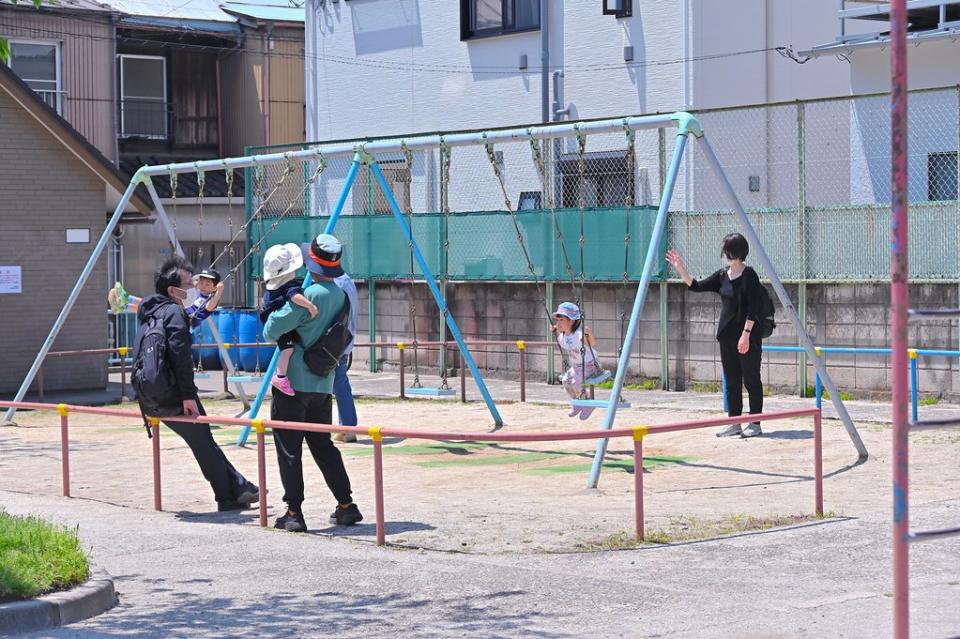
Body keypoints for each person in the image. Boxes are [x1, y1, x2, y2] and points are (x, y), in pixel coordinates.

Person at [134, 256, 260, 511]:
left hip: (152, 396)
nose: (193, 287)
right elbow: (181, 357)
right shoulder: (174, 313)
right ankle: (229, 495)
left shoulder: (149, 313)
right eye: (188, 283)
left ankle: (240, 487)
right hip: (175, 394)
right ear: (172, 290)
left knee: (203, 441)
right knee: (203, 442)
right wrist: (188, 396)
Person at [263, 233, 362, 532]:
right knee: (323, 445)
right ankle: (346, 504)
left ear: (312, 263)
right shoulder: (341, 296)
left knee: (289, 447)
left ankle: (294, 512)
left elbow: (271, 329)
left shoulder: (310, 295)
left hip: (292, 383)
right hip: (323, 381)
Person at [665, 232, 766, 438]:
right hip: (726, 338)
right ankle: (734, 422)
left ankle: (755, 423)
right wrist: (680, 267)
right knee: (732, 381)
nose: (723, 254)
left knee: (751, 380)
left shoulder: (750, 276)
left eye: (725, 250)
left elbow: (754, 308)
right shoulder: (722, 275)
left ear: (735, 252)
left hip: (747, 338)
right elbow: (696, 286)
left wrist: (746, 334)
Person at [260, 243, 320, 396]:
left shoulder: (273, 285)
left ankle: (280, 375)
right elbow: (295, 297)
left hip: (269, 317)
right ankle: (280, 376)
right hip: (276, 322)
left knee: (286, 348)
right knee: (287, 349)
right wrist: (310, 306)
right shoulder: (288, 286)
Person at [551, 302, 602, 421]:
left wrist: (588, 334)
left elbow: (592, 343)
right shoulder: (565, 336)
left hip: (590, 365)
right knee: (566, 381)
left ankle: (588, 403)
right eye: (557, 321)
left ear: (571, 321)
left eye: (561, 320)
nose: (558, 323)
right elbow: (562, 343)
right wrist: (555, 332)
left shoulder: (578, 333)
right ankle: (577, 402)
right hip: (577, 366)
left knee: (576, 382)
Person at [330, 240, 359, 443]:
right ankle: (347, 426)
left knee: (324, 383)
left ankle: (344, 427)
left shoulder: (335, 284)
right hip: (344, 340)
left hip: (332, 342)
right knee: (340, 382)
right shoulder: (347, 280)